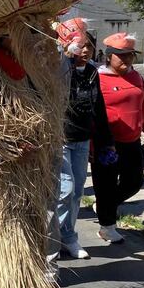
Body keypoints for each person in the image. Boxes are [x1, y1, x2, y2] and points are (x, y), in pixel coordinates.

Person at [55, 22, 114, 259]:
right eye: (80, 45)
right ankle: (57, 239)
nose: (85, 50)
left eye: (88, 45)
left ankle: (66, 235)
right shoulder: (59, 70)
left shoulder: (92, 72)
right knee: (65, 189)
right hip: (60, 138)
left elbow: (98, 107)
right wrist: (68, 60)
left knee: (77, 190)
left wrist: (106, 140)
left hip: (81, 139)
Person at [93, 33, 144, 243]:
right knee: (106, 184)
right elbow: (91, 112)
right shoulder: (98, 78)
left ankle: (104, 205)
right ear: (109, 56)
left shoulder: (137, 77)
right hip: (107, 144)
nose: (127, 59)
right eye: (121, 56)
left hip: (132, 140)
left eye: (130, 55)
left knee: (135, 181)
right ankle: (107, 227)